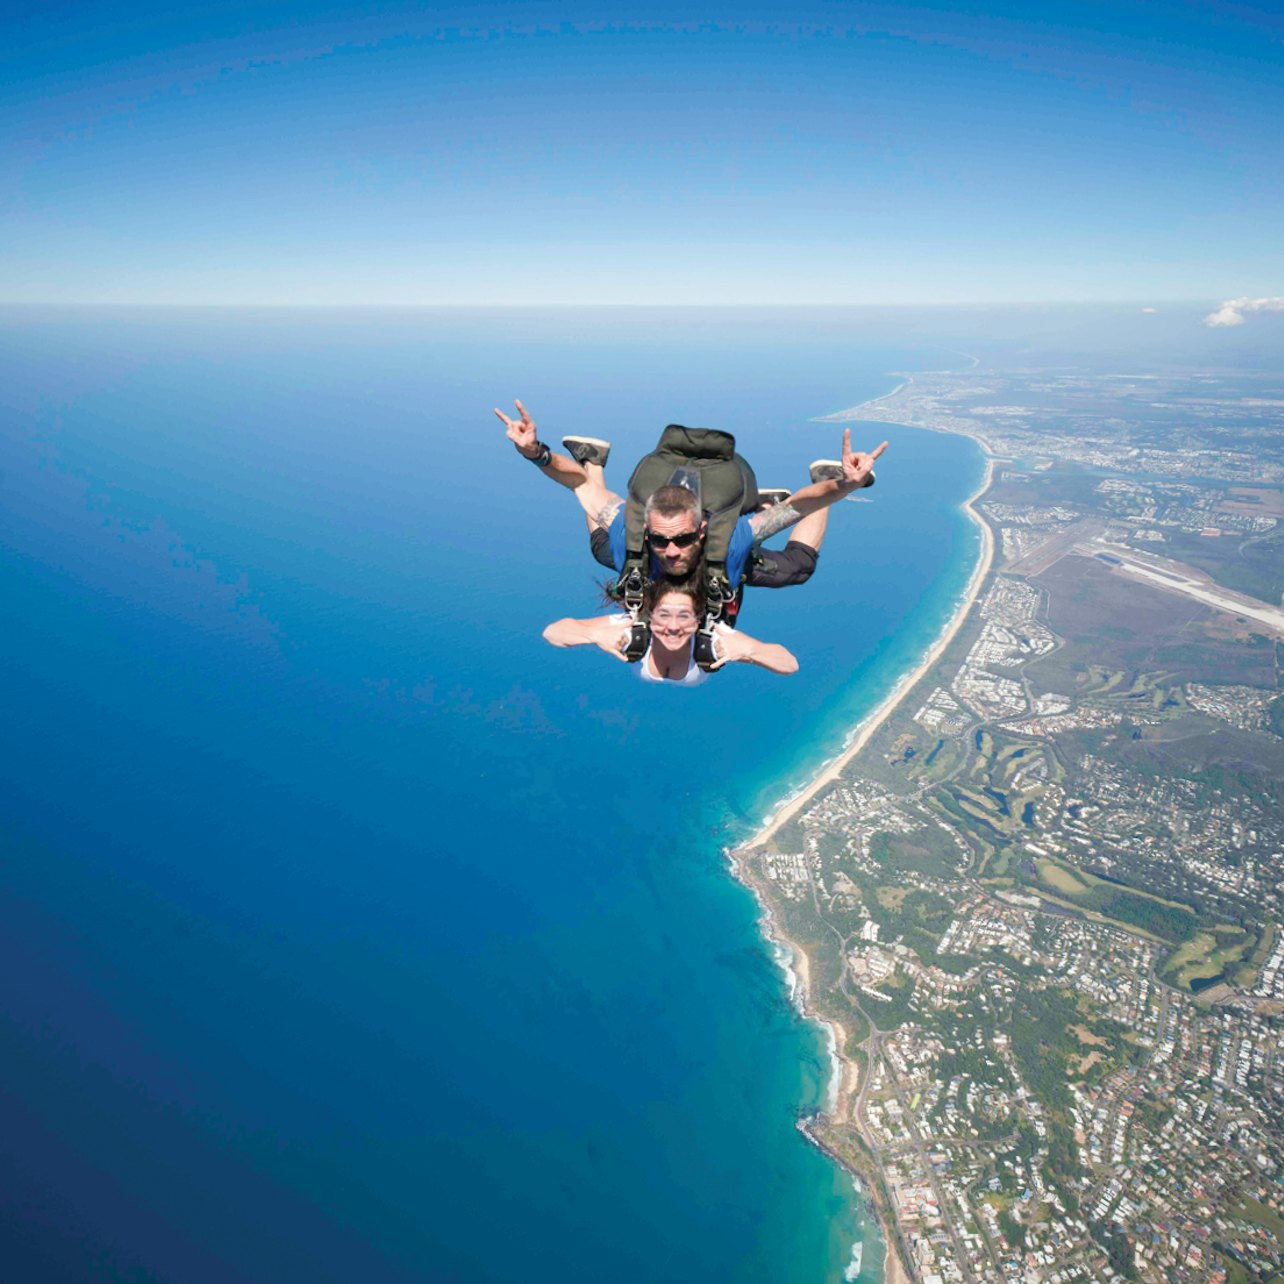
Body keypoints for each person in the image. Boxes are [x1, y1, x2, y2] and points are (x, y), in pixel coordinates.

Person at [494, 401, 886, 601]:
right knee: (603, 545)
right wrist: (536, 453)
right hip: (690, 548)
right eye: (661, 540)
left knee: (799, 569)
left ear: (701, 530)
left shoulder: (729, 539)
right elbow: (580, 486)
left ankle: (823, 476)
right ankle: (592, 456)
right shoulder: (632, 534)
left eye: (681, 540)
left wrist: (842, 486)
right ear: (646, 529)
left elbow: (799, 506)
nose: (670, 550)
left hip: (727, 543)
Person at [542, 580, 798, 682]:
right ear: (650, 618)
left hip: (708, 609)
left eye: (684, 617)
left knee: (798, 568)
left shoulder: (716, 639)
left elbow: (789, 664)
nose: (673, 627)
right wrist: (594, 634)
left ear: (697, 620)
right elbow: (553, 632)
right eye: (664, 616)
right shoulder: (631, 629)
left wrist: (750, 651)